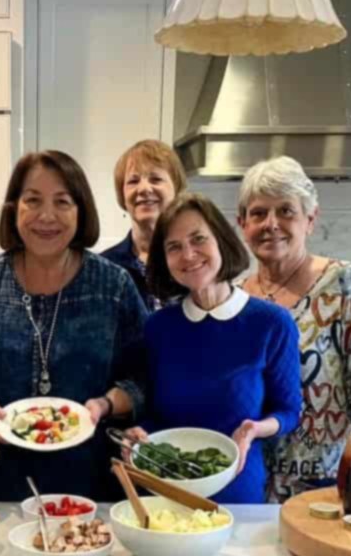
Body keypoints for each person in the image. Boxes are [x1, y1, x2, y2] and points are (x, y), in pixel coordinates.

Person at [0, 150, 148, 501]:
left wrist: (104, 405)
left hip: (90, 488)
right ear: (14, 208)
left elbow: (143, 377)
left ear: (81, 210)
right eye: (33, 200)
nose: (47, 216)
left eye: (62, 202)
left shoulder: (113, 287)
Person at [236, 156, 351, 501]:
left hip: (325, 490)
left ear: (310, 220)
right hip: (248, 486)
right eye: (259, 213)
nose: (271, 223)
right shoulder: (237, 298)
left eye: (286, 211)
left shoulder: (344, 285)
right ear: (242, 224)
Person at [125, 194, 302, 503]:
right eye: (174, 247)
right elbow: (157, 414)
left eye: (198, 240)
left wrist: (255, 429)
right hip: (165, 490)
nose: (188, 255)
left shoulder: (271, 323)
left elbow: (288, 411)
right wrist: (140, 434)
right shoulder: (159, 327)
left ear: (221, 240)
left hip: (237, 489)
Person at [102, 140, 187, 310]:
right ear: (122, 194)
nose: (144, 188)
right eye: (133, 181)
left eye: (155, 179)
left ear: (176, 190)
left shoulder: (192, 261)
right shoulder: (104, 268)